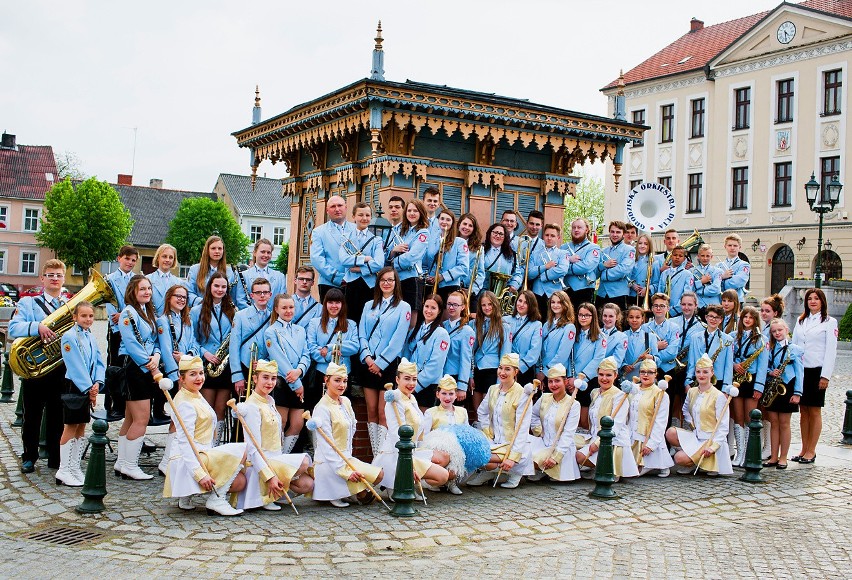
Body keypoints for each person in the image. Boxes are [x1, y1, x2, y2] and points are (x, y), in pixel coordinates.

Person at [161, 355, 246, 516]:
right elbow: (186, 443)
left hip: (199, 453)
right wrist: (199, 474)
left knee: (240, 476)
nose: (199, 378)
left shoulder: (194, 394)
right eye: (193, 374)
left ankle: (185, 497)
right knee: (243, 453)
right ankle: (217, 500)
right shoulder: (185, 403)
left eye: (201, 373)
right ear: (182, 378)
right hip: (189, 460)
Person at [8, 259, 69, 473]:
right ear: (42, 278)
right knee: (32, 415)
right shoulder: (28, 304)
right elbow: (14, 328)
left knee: (57, 415)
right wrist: (37, 326)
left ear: (63, 278)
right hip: (35, 369)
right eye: (50, 275)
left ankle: (55, 457)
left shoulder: (69, 305)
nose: (54, 279)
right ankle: (29, 457)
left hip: (60, 368)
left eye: (58, 275)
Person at [234, 359, 314, 511]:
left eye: (273, 378)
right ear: (255, 379)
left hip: (275, 458)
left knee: (307, 484)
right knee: (303, 461)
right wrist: (269, 475)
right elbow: (253, 448)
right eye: (265, 377)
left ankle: (276, 492)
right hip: (260, 463)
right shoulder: (251, 406)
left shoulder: (270, 401)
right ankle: (264, 493)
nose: (270, 382)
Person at [308, 362, 384, 508]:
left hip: (346, 457)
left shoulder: (346, 402)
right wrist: (343, 471)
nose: (342, 385)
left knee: (378, 474)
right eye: (337, 380)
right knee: (363, 491)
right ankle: (334, 490)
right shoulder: (321, 408)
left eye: (345, 381)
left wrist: (348, 461)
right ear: (326, 380)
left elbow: (352, 427)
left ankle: (350, 491)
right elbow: (326, 446)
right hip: (328, 462)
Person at [373, 358, 451, 497]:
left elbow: (420, 429)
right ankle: (398, 483)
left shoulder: (411, 398)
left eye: (414, 379)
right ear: (397, 379)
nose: (411, 383)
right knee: (443, 476)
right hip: (397, 453)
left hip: (413, 449)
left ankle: (412, 481)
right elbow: (396, 435)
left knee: (444, 462)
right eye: (407, 379)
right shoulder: (394, 400)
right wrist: (408, 465)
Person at [358, 266, 411, 456]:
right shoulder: (368, 305)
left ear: (396, 283)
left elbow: (398, 340)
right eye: (383, 280)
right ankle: (375, 456)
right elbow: (362, 333)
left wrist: (379, 363)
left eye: (390, 280)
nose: (386, 283)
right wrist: (367, 357)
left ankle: (383, 456)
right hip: (368, 363)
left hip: (387, 366)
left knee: (383, 413)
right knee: (371, 411)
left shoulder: (403, 307)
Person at [114, 275, 161, 481]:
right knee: (141, 419)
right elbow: (131, 344)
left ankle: (122, 461)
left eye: (149, 289)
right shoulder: (128, 312)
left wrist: (157, 356)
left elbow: (155, 339)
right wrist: (148, 364)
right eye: (142, 289)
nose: (147, 292)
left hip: (146, 364)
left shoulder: (147, 311)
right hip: (135, 367)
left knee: (131, 418)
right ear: (133, 291)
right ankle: (130, 466)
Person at [56, 301, 105, 487]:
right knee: (71, 425)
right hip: (76, 386)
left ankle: (75, 466)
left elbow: (99, 360)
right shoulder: (69, 337)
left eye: (91, 316)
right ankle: (63, 469)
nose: (88, 319)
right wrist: (89, 388)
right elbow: (75, 365)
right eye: (83, 316)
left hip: (89, 386)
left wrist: (98, 382)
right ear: (75, 317)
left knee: (81, 427)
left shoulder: (90, 336)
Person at [467, 353, 535, 489]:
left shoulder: (523, 394)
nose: (502, 372)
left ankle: (513, 471)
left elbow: (522, 428)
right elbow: (482, 412)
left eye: (507, 369)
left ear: (516, 372)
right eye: (500, 368)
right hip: (494, 442)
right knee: (471, 451)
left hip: (512, 444)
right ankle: (491, 471)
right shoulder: (493, 389)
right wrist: (487, 431)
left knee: (481, 456)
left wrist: (513, 457)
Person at [790, 288, 838, 465]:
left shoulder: (829, 322)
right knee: (803, 411)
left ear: (822, 301)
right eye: (809, 299)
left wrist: (825, 376)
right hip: (802, 370)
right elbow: (794, 347)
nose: (812, 301)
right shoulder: (801, 320)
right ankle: (803, 448)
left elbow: (831, 351)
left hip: (817, 370)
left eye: (816, 299)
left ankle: (812, 450)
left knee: (815, 410)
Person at [665, 354, 733, 476]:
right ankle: (694, 460)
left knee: (679, 458)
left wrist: (713, 447)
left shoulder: (719, 396)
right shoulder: (692, 391)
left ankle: (701, 460)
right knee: (671, 433)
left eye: (705, 372)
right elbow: (685, 410)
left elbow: (723, 426)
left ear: (712, 373)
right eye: (698, 372)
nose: (701, 375)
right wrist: (692, 424)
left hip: (710, 440)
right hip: (696, 436)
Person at [576, 356, 639, 480]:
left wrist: (598, 443)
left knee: (579, 456)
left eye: (608, 375)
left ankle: (609, 468)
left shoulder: (620, 396)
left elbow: (616, 425)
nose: (604, 378)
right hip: (594, 436)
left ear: (615, 376)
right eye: (601, 374)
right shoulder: (594, 392)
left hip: (612, 442)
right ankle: (596, 466)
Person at [154, 284, 198, 461]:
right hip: (177, 377)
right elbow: (165, 350)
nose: (181, 300)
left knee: (183, 418)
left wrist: (188, 356)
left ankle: (175, 458)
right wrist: (176, 377)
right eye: (177, 296)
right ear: (169, 298)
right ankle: (167, 461)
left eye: (184, 297)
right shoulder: (163, 320)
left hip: (187, 372)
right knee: (177, 418)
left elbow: (194, 343)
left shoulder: (187, 320)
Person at [190, 273, 235, 441]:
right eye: (216, 286)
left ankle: (215, 445)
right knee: (207, 408)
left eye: (223, 287)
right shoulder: (196, 311)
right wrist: (204, 352)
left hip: (225, 364)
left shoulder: (232, 311)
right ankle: (204, 443)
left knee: (220, 408)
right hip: (207, 364)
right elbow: (191, 338)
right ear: (209, 287)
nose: (220, 290)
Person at [264, 293, 310, 453]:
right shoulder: (271, 332)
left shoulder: (300, 330)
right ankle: (274, 457)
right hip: (283, 383)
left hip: (298, 378)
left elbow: (306, 353)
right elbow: (279, 359)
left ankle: (284, 457)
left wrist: (300, 370)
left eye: (291, 307)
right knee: (281, 422)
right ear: (276, 309)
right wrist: (296, 383)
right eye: (284, 307)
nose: (288, 311)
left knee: (298, 423)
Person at [306, 288, 359, 413]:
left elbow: (355, 347)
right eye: (330, 302)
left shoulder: (351, 324)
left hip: (344, 374)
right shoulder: (314, 323)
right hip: (322, 373)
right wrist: (331, 356)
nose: (334, 306)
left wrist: (329, 347)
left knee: (342, 411)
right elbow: (312, 348)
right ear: (325, 304)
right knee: (321, 412)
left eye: (337, 302)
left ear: (342, 304)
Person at [761, 318, 804, 470]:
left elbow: (800, 372)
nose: (777, 333)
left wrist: (798, 393)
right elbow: (764, 366)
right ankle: (773, 456)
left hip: (788, 387)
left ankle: (783, 457)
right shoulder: (770, 348)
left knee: (784, 423)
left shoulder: (795, 349)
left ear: (786, 330)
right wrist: (770, 372)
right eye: (774, 331)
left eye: (780, 330)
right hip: (773, 387)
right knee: (774, 423)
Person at [528, 363, 581, 482]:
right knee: (521, 449)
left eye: (557, 381)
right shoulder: (544, 398)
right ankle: (541, 468)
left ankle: (547, 468)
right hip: (543, 443)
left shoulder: (574, 404)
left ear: (565, 382)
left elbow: (568, 433)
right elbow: (533, 415)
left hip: (562, 448)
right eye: (550, 381)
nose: (553, 385)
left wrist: (556, 458)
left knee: (531, 460)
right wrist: (538, 431)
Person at [731, 306, 768, 467]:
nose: (747, 320)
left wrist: (759, 387)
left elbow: (762, 365)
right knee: (738, 418)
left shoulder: (760, 340)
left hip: (751, 381)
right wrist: (734, 365)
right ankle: (739, 453)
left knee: (749, 418)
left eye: (751, 318)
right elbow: (729, 357)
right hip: (737, 379)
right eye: (745, 317)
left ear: (755, 320)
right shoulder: (733, 336)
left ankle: (747, 452)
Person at [104, 245, 139, 420]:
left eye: (133, 260)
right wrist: (117, 316)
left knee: (130, 367)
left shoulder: (137, 279)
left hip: (133, 328)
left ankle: (128, 404)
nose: (130, 263)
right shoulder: (110, 279)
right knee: (114, 366)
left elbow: (139, 302)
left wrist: (125, 313)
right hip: (117, 329)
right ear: (119, 258)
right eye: (127, 259)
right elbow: (110, 304)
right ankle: (113, 404)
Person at [420, 375, 470, 494]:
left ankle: (452, 483)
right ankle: (430, 481)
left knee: (457, 463)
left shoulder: (462, 412)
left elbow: (467, 432)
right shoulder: (430, 413)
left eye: (451, 394)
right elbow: (424, 435)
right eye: (444, 393)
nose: (447, 397)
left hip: (458, 449)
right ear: (438, 394)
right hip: (439, 450)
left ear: (456, 395)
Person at [339, 203, 385, 324]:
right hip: (351, 284)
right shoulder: (345, 237)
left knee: (368, 319)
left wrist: (359, 269)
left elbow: (379, 263)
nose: (364, 218)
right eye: (360, 215)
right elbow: (343, 259)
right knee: (349, 318)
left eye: (367, 215)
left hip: (369, 285)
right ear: (353, 216)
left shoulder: (376, 239)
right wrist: (365, 259)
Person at [403, 294, 450, 410]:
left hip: (427, 386)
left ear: (439, 311)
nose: (429, 311)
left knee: (424, 424)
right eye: (427, 306)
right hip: (411, 382)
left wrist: (415, 385)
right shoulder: (416, 329)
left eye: (433, 308)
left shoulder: (441, 334)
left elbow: (435, 366)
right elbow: (407, 354)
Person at [667, 292, 706, 426]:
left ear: (696, 305)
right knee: (671, 402)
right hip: (672, 367)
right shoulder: (671, 322)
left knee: (687, 403)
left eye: (690, 304)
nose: (686, 307)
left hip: (689, 368)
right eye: (683, 304)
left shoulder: (702, 326)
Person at [629, 359, 673, 477]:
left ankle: (657, 463)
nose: (645, 375)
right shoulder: (633, 389)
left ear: (656, 374)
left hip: (647, 436)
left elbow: (661, 422)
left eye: (650, 372)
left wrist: (651, 444)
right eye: (642, 371)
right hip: (631, 436)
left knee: (633, 473)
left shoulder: (661, 394)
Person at [229, 278, 272, 398]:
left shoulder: (274, 317)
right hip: (244, 367)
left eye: (265, 292)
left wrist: (265, 362)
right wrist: (237, 375)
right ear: (252, 295)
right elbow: (234, 347)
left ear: (270, 294)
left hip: (264, 369)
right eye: (258, 293)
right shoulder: (240, 316)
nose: (262, 295)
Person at [389, 199, 429, 326]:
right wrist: (393, 250)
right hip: (396, 279)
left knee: (410, 320)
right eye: (409, 210)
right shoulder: (400, 230)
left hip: (412, 279)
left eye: (415, 211)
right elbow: (387, 251)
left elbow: (413, 256)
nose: (412, 213)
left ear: (421, 213)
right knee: (395, 315)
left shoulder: (423, 232)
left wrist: (392, 264)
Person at [469, 291, 511, 412]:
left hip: (493, 369)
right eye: (483, 305)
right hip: (477, 367)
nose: (487, 308)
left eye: (490, 304)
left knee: (487, 406)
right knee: (476, 404)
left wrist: (501, 379)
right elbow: (470, 350)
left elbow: (505, 354)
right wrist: (470, 374)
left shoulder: (504, 326)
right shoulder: (474, 324)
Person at [309, 195, 355, 301]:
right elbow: (317, 259)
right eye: (333, 206)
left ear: (346, 207)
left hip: (354, 283)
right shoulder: (319, 232)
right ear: (327, 210)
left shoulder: (356, 229)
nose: (337, 209)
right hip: (330, 283)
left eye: (340, 205)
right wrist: (338, 277)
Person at [571, 302, 607, 430]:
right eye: (580, 315)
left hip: (587, 380)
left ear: (593, 317)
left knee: (584, 420)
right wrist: (571, 377)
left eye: (587, 315)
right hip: (571, 379)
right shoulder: (573, 333)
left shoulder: (600, 337)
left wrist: (580, 378)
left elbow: (597, 360)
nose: (583, 318)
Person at [685, 304, 734, 394]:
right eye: (711, 316)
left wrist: (726, 389)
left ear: (721, 320)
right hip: (698, 379)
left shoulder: (728, 339)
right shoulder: (695, 337)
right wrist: (688, 382)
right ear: (706, 317)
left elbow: (728, 366)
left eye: (717, 317)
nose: (713, 319)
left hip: (717, 381)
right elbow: (691, 362)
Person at [428, 208, 469, 305]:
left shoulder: (459, 242)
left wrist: (443, 276)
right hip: (432, 285)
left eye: (448, 219)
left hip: (450, 286)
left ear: (452, 223)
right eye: (442, 219)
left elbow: (464, 268)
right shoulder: (432, 241)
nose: (444, 222)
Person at [528, 223, 570, 316]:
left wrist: (542, 276)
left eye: (553, 236)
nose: (549, 238)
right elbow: (529, 273)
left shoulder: (563, 253)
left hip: (554, 295)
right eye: (547, 235)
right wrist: (545, 267)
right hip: (537, 293)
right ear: (543, 236)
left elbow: (562, 270)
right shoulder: (535, 253)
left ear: (558, 238)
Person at [503, 290, 542, 387]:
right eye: (520, 301)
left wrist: (518, 368)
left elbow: (534, 351)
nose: (521, 304)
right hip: (505, 369)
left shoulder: (536, 325)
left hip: (524, 371)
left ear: (531, 305)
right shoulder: (505, 320)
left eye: (525, 303)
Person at [234, 239, 286, 310]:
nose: (266, 255)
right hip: (251, 319)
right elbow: (241, 300)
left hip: (273, 319)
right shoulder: (244, 275)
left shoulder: (280, 277)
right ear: (254, 253)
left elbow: (282, 301)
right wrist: (254, 315)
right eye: (263, 252)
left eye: (268, 252)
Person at [595, 220, 635, 312]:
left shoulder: (629, 250)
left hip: (618, 294)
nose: (615, 235)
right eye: (612, 232)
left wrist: (604, 275)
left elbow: (624, 269)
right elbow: (595, 272)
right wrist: (603, 265)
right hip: (602, 294)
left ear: (623, 234)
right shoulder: (603, 251)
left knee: (619, 324)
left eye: (618, 232)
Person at [442, 291, 475, 398]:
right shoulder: (442, 326)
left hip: (455, 376)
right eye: (449, 304)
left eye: (455, 305)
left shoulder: (467, 331)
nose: (451, 307)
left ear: (463, 307)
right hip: (440, 375)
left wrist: (462, 386)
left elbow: (466, 360)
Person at [472, 223, 520, 298]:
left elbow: (517, 274)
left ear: (505, 237)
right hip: (482, 294)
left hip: (502, 295)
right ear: (489, 234)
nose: (497, 236)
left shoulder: (512, 254)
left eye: (501, 234)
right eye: (495, 232)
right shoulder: (481, 250)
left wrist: (514, 284)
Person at [186, 236, 236, 307]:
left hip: (223, 312)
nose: (217, 251)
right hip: (200, 310)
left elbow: (233, 297)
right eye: (213, 248)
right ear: (207, 250)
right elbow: (189, 292)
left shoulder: (230, 272)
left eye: (220, 248)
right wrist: (203, 303)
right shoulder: (195, 270)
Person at [538, 291, 576, 384]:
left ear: (565, 304)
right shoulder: (547, 324)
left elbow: (562, 354)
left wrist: (545, 372)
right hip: (541, 372)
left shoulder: (569, 327)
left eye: (559, 302)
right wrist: (538, 370)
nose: (555, 305)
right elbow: (540, 350)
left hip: (556, 373)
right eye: (553, 302)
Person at [561, 218, 599, 309]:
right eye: (574, 227)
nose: (576, 230)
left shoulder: (593, 247)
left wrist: (566, 267)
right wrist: (569, 259)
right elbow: (557, 266)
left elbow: (586, 266)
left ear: (586, 230)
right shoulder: (563, 247)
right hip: (566, 290)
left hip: (584, 289)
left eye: (579, 227)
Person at [643, 293, 679, 383]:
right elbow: (641, 350)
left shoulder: (674, 327)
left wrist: (653, 357)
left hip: (667, 369)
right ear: (652, 308)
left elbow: (672, 352)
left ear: (668, 308)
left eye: (662, 306)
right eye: (656, 306)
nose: (658, 308)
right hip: (648, 369)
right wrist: (656, 346)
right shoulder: (644, 327)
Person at [620, 305, 659, 383]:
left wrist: (650, 357)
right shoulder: (622, 336)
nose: (634, 320)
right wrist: (624, 366)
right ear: (627, 318)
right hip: (627, 377)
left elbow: (657, 360)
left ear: (642, 319)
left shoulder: (650, 336)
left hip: (645, 379)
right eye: (631, 317)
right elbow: (618, 356)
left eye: (637, 317)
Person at [658, 246, 695, 317]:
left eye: (680, 256)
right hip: (663, 310)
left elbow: (686, 294)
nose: (677, 257)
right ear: (671, 256)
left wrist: (674, 310)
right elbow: (660, 291)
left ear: (684, 259)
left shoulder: (688, 274)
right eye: (675, 255)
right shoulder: (664, 273)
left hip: (679, 311)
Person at [147, 243, 179, 316]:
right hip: (152, 321)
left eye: (171, 257)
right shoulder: (147, 279)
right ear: (158, 258)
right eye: (164, 256)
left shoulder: (179, 282)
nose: (167, 260)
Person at [628, 233, 659, 308]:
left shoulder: (654, 262)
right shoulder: (630, 260)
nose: (642, 246)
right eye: (640, 243)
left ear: (649, 246)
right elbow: (625, 277)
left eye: (646, 244)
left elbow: (657, 283)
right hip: (631, 296)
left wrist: (647, 289)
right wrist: (632, 285)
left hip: (646, 297)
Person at [457, 212, 483, 297]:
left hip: (468, 290)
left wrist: (472, 290)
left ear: (474, 229)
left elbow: (480, 272)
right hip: (452, 287)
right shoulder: (450, 243)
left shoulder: (479, 248)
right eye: (464, 224)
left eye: (470, 225)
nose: (466, 227)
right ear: (459, 225)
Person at [692, 244, 722, 318]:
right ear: (698, 256)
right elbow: (690, 287)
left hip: (713, 306)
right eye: (702, 256)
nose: (705, 258)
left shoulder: (717, 271)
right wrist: (701, 282)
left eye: (708, 256)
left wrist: (698, 291)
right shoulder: (691, 271)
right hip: (698, 306)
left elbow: (716, 289)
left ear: (711, 257)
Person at [719, 233, 750, 304]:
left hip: (737, 301)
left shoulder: (744, 264)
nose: (732, 248)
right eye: (729, 245)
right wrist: (723, 276)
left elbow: (738, 282)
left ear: (739, 247)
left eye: (735, 245)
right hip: (722, 301)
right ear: (725, 247)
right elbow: (713, 283)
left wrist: (721, 280)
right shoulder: (719, 265)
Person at [292, 266, 322, 332]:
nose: (304, 282)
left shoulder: (320, 308)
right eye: (301, 279)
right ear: (295, 281)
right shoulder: (284, 304)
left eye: (308, 279)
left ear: (313, 283)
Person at [600, 303, 628, 370]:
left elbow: (617, 361)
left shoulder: (622, 337)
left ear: (617, 317)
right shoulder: (595, 332)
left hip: (609, 372)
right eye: (605, 316)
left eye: (611, 316)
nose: (607, 319)